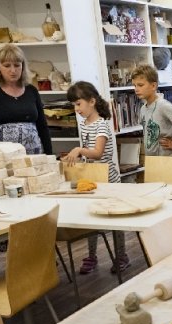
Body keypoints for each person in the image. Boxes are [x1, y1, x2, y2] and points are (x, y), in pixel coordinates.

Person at [62, 81, 129, 274]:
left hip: (109, 181)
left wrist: (79, 150)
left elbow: (98, 153)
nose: (76, 109)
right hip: (93, 180)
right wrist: (75, 156)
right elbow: (88, 153)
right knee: (90, 218)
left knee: (115, 221)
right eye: (74, 105)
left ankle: (122, 256)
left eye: (78, 104)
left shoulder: (101, 125)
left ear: (91, 101)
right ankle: (91, 256)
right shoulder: (84, 124)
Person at [0, 44, 52, 155]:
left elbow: (42, 126)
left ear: (23, 66)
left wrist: (50, 155)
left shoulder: (31, 90)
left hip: (33, 154)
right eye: (7, 66)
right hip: (3, 154)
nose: (13, 70)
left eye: (17, 65)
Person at [131, 64, 172, 157]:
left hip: (166, 160)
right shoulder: (143, 108)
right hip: (152, 160)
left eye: (140, 85)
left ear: (153, 86)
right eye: (135, 86)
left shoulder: (163, 106)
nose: (136, 89)